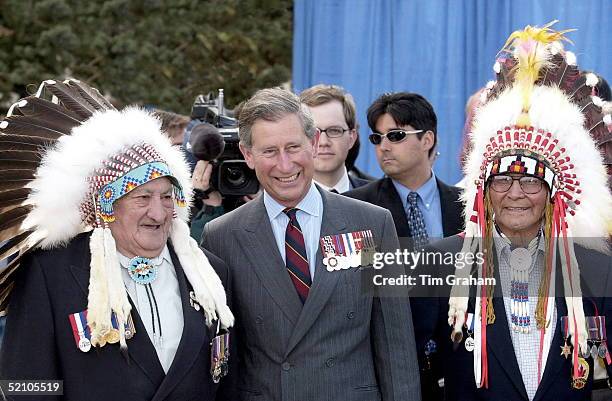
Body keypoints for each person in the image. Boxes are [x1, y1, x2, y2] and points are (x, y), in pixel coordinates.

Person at [0, 79, 234, 400]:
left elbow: (228, 383)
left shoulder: (210, 276)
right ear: (107, 207)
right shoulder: (52, 274)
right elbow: (24, 386)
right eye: (142, 198)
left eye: (167, 197)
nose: (158, 212)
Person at [423, 23, 612, 400]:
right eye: (501, 181)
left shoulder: (593, 266)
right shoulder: (441, 263)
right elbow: (413, 368)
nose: (515, 194)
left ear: (553, 192)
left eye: (530, 182)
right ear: (483, 191)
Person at [202, 87, 421, 401]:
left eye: (293, 147)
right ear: (248, 155)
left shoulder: (372, 224)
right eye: (269, 151)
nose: (285, 164)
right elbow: (224, 360)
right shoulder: (222, 236)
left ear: (314, 143)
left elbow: (395, 345)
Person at [345, 91, 464, 400]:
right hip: (389, 372)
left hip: (461, 370)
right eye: (377, 138)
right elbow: (354, 292)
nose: (383, 147)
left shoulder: (468, 208)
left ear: (427, 139)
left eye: (396, 136)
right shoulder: (354, 209)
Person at [299, 84, 370, 192]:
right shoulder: (279, 201)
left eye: (334, 130)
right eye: (312, 132)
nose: (323, 142)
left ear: (352, 138)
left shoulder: (380, 200)